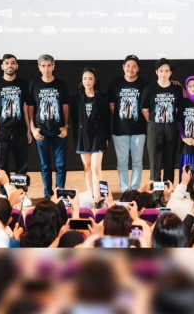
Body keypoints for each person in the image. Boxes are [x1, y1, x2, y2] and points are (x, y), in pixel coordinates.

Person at [0, 54, 32, 204]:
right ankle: (3, 192)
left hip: (20, 131)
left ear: (17, 66)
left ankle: (21, 192)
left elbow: (26, 109)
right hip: (1, 132)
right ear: (2, 66)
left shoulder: (24, 84)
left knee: (21, 164)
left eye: (13, 63)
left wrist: (28, 130)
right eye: (7, 63)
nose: (10, 65)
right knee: (2, 164)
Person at [28, 54, 70, 198]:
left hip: (58, 130)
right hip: (41, 131)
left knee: (60, 165)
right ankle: (47, 193)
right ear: (39, 68)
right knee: (45, 165)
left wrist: (66, 126)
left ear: (53, 66)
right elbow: (30, 108)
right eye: (43, 66)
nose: (46, 69)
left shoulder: (61, 84)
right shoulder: (34, 85)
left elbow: (65, 107)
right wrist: (33, 128)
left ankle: (60, 192)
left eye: (49, 65)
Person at [107, 55, 149, 192]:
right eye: (128, 66)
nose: (131, 69)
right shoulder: (115, 84)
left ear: (138, 69)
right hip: (120, 131)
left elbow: (147, 106)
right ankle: (125, 190)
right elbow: (112, 106)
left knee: (137, 161)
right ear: (123, 67)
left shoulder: (144, 84)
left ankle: (135, 189)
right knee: (122, 161)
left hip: (139, 130)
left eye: (134, 66)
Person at [70, 68, 111, 207]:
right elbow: (75, 121)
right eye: (85, 78)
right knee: (87, 167)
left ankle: (99, 197)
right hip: (83, 137)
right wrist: (77, 139)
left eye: (90, 78)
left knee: (96, 167)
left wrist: (107, 137)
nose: (87, 81)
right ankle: (92, 194)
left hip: (98, 136)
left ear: (95, 81)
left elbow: (107, 119)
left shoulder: (102, 98)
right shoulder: (76, 99)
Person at [141, 58, 183, 184]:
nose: (163, 73)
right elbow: (144, 109)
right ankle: (157, 193)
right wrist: (154, 122)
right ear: (156, 72)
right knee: (155, 162)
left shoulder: (176, 89)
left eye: (166, 71)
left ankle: (167, 191)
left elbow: (177, 109)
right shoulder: (149, 89)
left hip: (171, 127)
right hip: (154, 127)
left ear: (171, 72)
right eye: (161, 71)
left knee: (170, 160)